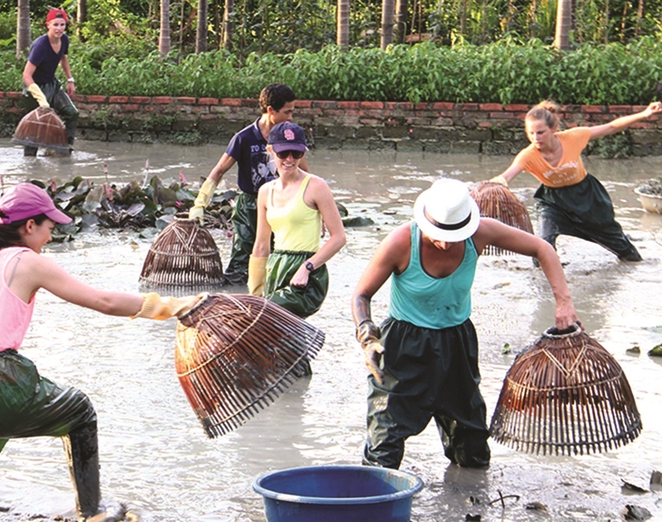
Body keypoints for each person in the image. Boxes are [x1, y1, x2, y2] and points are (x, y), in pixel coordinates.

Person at [0, 183, 204, 522]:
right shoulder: (26, 262)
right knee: (80, 411)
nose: (50, 237)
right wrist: (176, 306)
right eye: (49, 228)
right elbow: (104, 301)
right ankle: (91, 513)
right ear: (30, 225)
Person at [351, 178, 579, 470]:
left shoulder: (480, 233)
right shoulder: (400, 242)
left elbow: (542, 249)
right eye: (438, 234)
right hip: (404, 346)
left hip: (456, 344)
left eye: (454, 235)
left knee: (472, 449)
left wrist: (564, 302)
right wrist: (367, 336)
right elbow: (361, 294)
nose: (445, 243)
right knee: (384, 446)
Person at [491, 100, 662, 262]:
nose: (536, 138)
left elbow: (611, 127)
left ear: (553, 129)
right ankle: (545, 277)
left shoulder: (573, 137)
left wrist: (644, 114)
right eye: (531, 133)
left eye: (540, 132)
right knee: (543, 245)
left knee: (625, 252)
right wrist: (492, 185)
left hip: (587, 197)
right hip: (553, 202)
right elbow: (507, 176)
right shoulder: (528, 155)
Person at [189, 83, 310, 285]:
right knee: (242, 256)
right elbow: (219, 170)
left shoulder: (288, 138)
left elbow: (305, 174)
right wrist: (200, 203)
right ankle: (234, 296)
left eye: (292, 112)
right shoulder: (244, 138)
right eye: (287, 112)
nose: (291, 118)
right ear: (271, 110)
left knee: (279, 255)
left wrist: (316, 207)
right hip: (249, 206)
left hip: (279, 204)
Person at [248, 122, 346, 320]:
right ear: (270, 150)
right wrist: (254, 295)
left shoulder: (316, 186)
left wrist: (307, 267)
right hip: (276, 269)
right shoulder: (265, 191)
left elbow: (339, 238)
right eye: (283, 153)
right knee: (264, 322)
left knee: (270, 315)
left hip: (307, 273)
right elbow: (261, 245)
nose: (290, 159)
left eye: (296, 153)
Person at [21, 8, 79, 157]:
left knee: (72, 113)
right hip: (35, 87)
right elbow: (26, 75)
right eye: (55, 25)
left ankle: (64, 148)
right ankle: (30, 162)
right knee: (35, 129)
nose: (59, 29)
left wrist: (70, 80)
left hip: (52, 84)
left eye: (62, 25)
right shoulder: (40, 46)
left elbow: (63, 57)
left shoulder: (64, 39)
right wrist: (41, 98)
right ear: (48, 25)